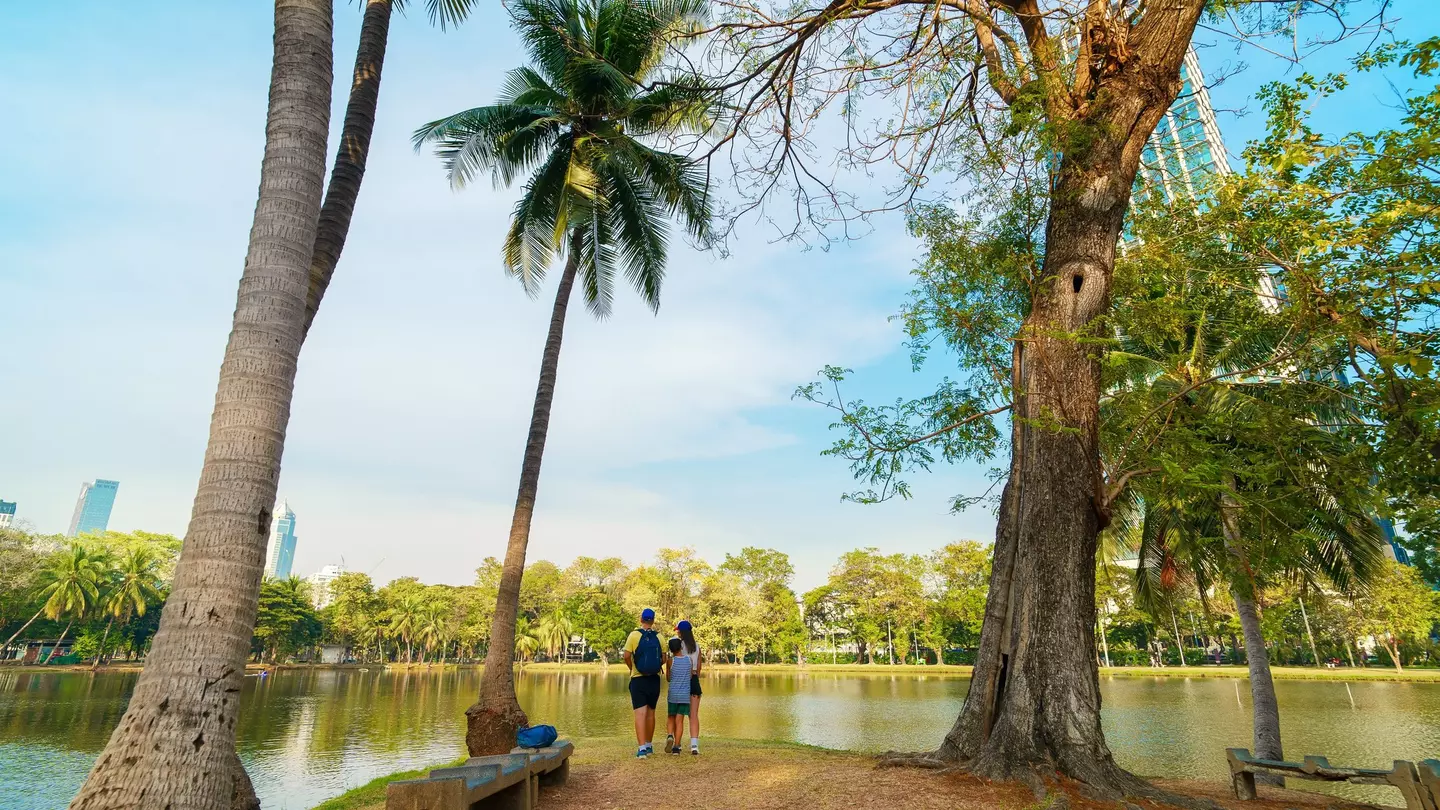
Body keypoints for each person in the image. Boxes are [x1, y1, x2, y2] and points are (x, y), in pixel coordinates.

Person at [622, 608, 664, 758]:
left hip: (638, 679)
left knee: (640, 714)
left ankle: (641, 749)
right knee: (651, 713)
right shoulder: (659, 637)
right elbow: (664, 658)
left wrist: (632, 667)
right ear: (652, 621)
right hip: (654, 679)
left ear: (641, 619)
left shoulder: (634, 635)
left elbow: (626, 655)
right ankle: (649, 745)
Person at [676, 619, 702, 754]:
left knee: (679, 714)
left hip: (682, 682)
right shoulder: (697, 646)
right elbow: (699, 668)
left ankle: (678, 745)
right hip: (694, 682)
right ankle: (694, 746)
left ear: (681, 632)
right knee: (693, 715)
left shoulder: (679, 646)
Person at [663, 637, 691, 754]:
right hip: (685, 695)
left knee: (671, 717)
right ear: (681, 647)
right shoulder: (689, 660)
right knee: (679, 721)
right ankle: (676, 747)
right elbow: (690, 677)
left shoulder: (670, 661)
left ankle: (670, 736)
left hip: (673, 694)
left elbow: (668, 678)